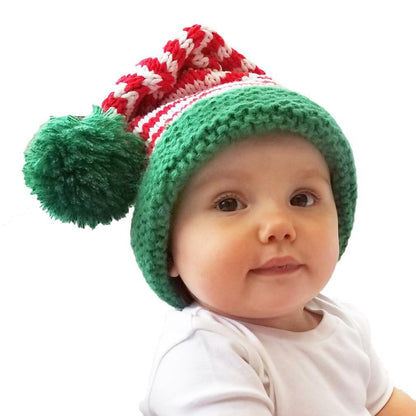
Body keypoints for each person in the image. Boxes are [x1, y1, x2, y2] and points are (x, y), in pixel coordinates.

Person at [23, 24, 416, 415]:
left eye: (302, 198)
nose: (279, 225)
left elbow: (387, 406)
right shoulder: (206, 356)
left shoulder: (343, 324)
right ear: (168, 248)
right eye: (229, 204)